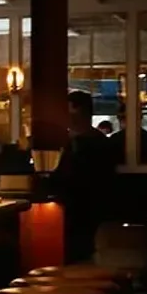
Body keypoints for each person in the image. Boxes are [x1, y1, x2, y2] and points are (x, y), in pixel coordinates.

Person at [49, 89, 117, 263]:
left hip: (82, 209)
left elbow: (70, 176)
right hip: (91, 210)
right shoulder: (97, 141)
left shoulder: (82, 143)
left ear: (78, 111)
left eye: (68, 111)